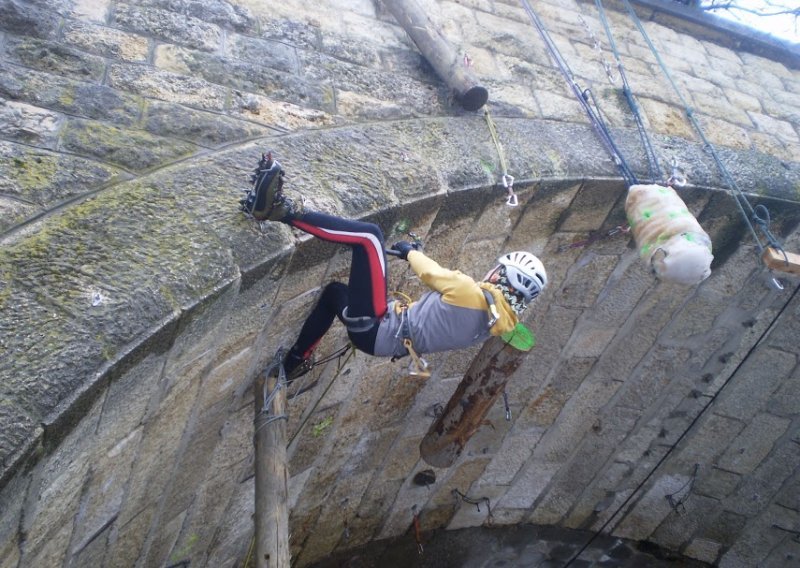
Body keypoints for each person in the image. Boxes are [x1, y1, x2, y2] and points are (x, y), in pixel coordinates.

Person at [241, 153, 548, 380]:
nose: (491, 274)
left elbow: (432, 274)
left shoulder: (472, 295)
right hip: (380, 339)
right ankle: (296, 361)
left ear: (504, 278)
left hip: (379, 327)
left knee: (369, 237)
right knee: (336, 294)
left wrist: (409, 252)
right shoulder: (494, 324)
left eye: (498, 271)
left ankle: (277, 211)